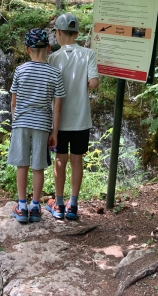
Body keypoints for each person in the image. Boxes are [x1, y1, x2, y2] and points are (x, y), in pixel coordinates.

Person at [7, 28, 65, 223]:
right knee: (38, 166)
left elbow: (13, 102)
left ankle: (21, 206)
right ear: (48, 48)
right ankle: (35, 206)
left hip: (21, 123)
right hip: (42, 125)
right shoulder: (54, 73)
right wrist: (54, 131)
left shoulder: (20, 70)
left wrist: (15, 122)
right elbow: (57, 106)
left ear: (26, 49)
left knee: (21, 165)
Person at [46, 13, 99, 220]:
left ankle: (58, 204)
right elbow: (94, 82)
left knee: (60, 160)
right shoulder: (88, 54)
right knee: (77, 160)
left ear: (58, 33)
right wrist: (85, 84)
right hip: (81, 119)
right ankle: (73, 204)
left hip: (59, 121)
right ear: (76, 33)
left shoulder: (53, 58)